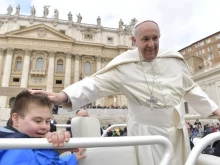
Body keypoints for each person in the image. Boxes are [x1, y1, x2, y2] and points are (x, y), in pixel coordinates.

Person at [30, 19, 220, 165]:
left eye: (155, 38)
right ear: (134, 40)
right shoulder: (124, 65)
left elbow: (190, 87)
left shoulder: (173, 59)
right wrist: (62, 96)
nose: (151, 44)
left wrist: (215, 110)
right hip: (147, 133)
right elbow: (95, 84)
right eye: (145, 39)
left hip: (177, 133)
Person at [0, 90, 86, 165]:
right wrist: (52, 151)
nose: (45, 126)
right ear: (16, 119)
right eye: (37, 121)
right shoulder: (16, 147)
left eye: (48, 121)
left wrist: (67, 158)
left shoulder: (18, 141)